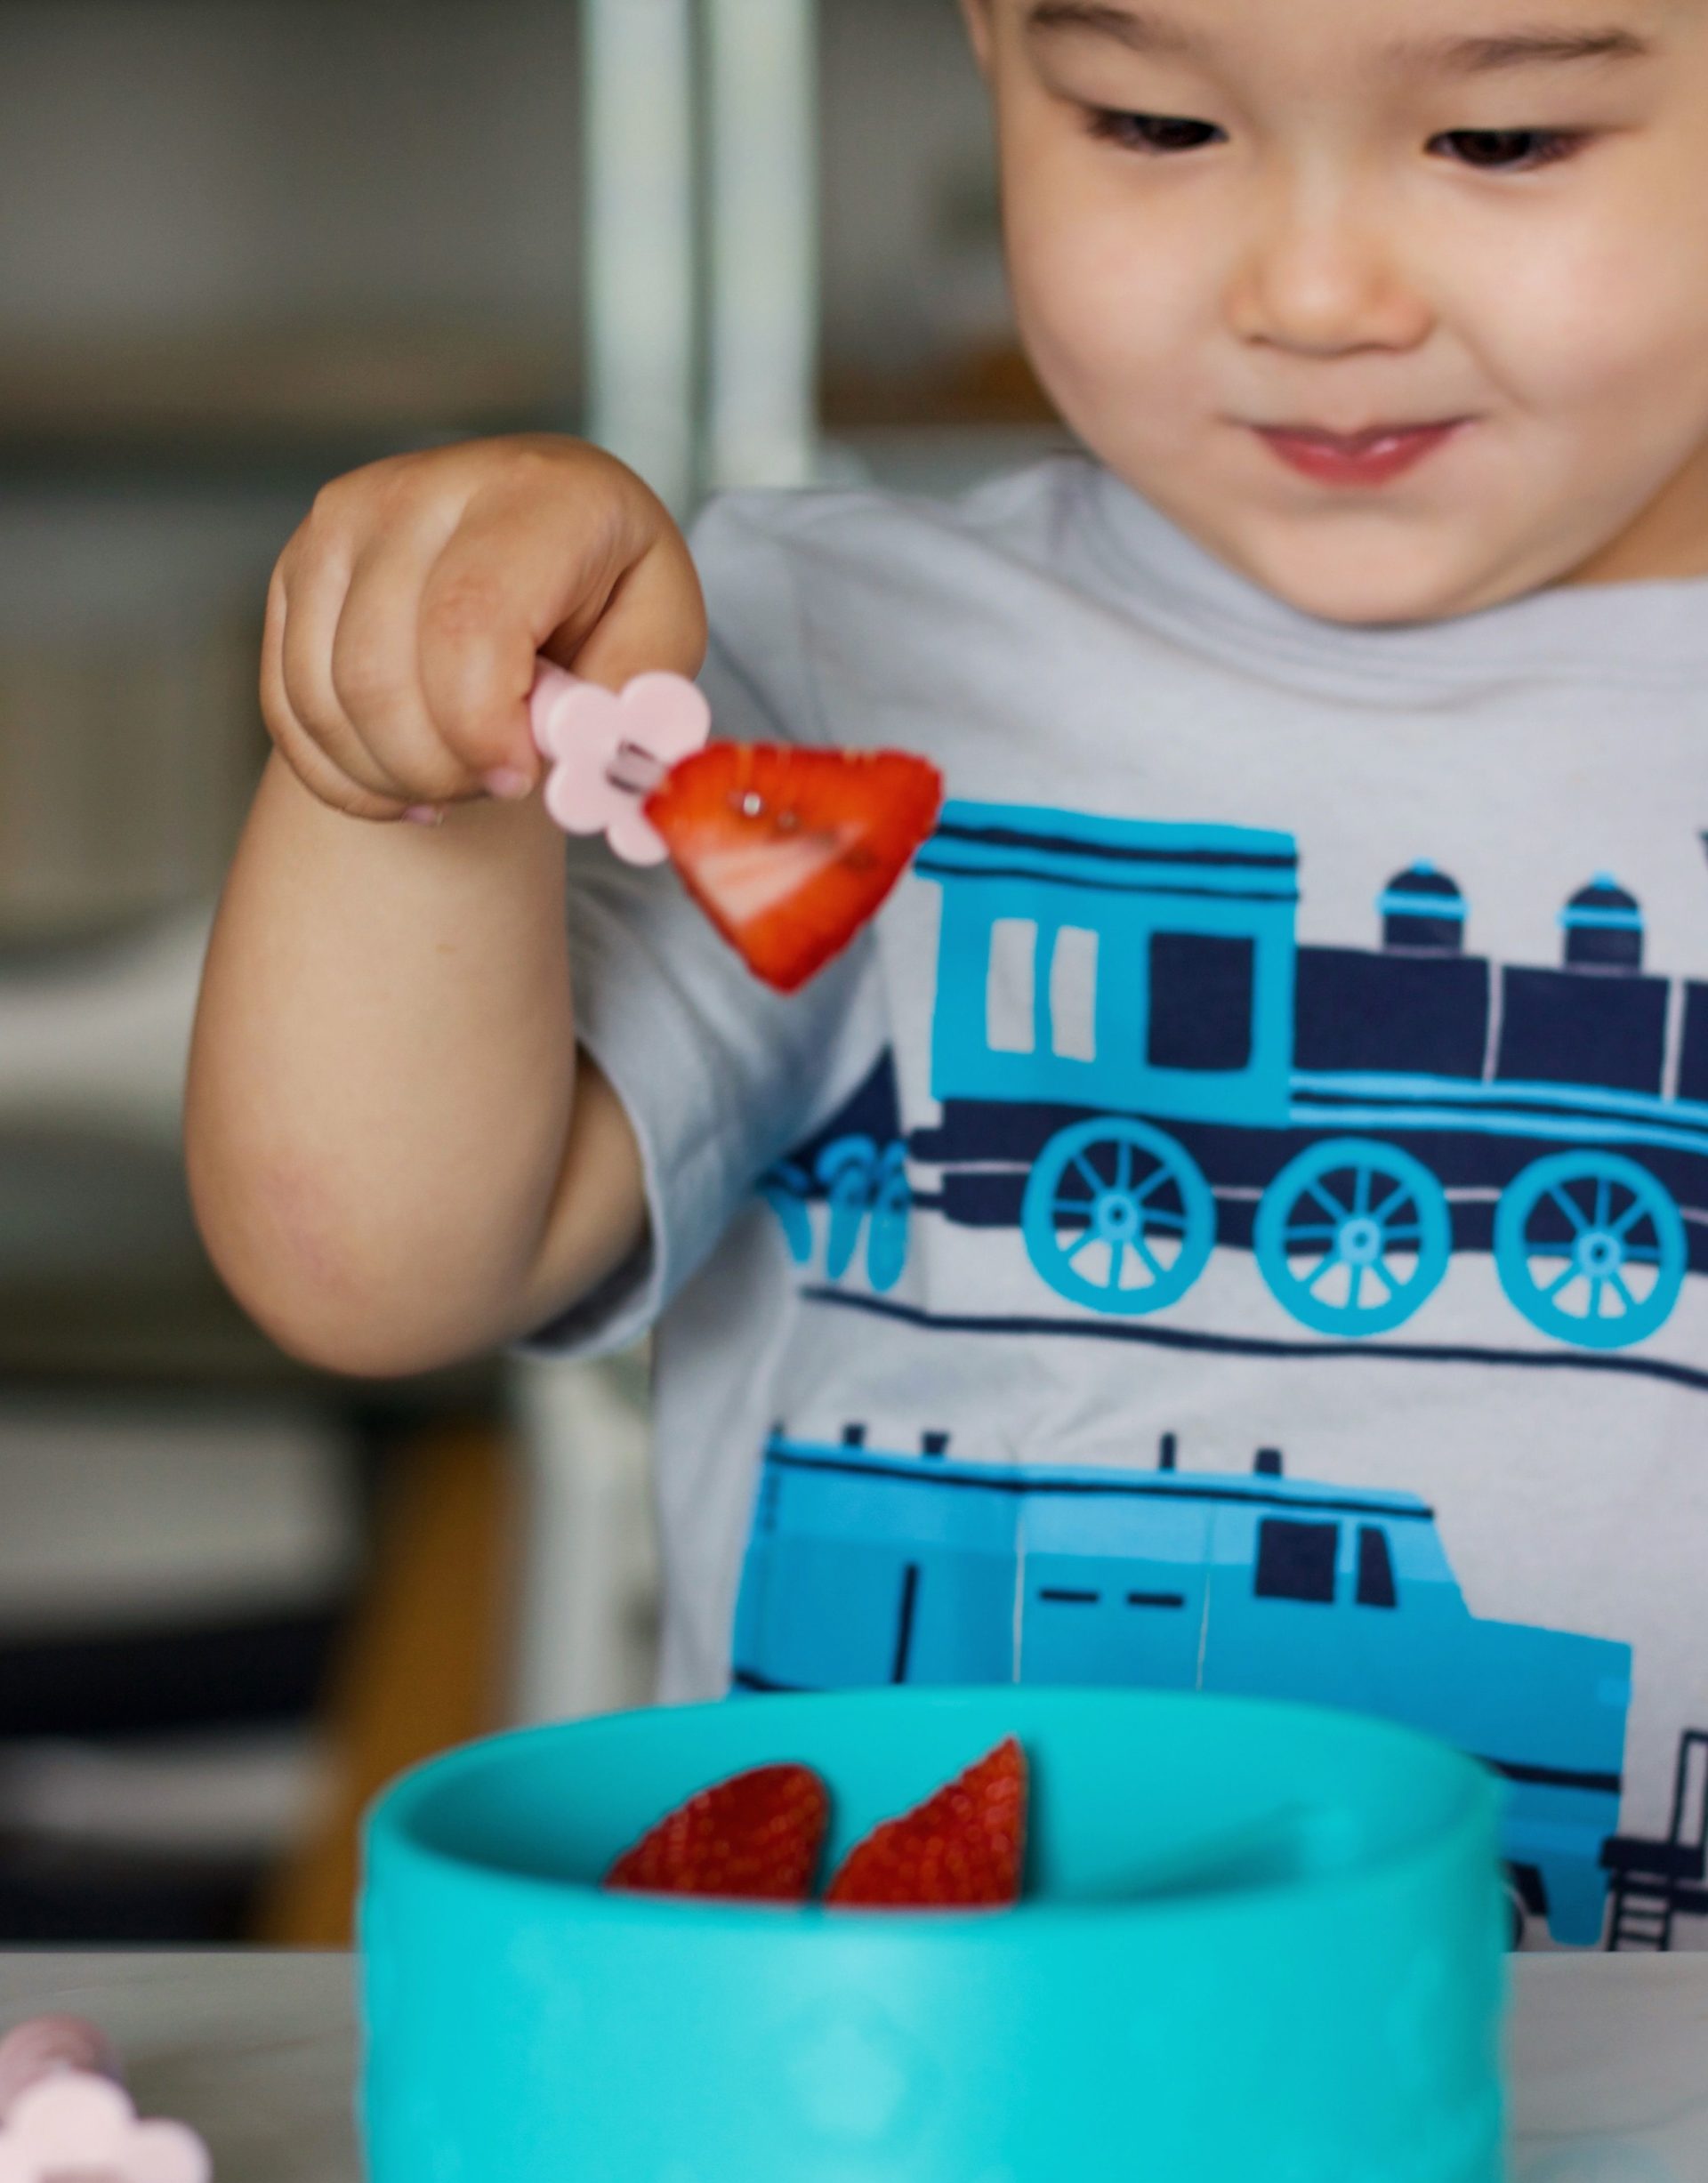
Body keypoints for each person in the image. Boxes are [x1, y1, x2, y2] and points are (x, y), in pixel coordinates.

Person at [187, 0, 1708, 1945]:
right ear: (992, 48)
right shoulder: (821, 668)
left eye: (1502, 144)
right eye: (1154, 123)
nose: (1316, 291)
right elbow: (369, 1260)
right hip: (899, 2121)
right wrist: (414, 773)